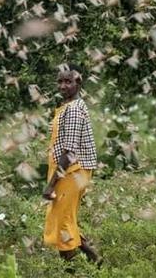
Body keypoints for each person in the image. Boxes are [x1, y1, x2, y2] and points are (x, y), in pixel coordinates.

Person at [42, 63, 101, 267]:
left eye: (68, 81)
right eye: (60, 81)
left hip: (72, 171)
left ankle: (74, 271)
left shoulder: (74, 110)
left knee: (62, 225)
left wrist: (50, 186)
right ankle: (97, 263)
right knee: (67, 219)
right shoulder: (67, 107)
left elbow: (70, 153)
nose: (63, 86)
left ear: (78, 82)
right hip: (69, 172)